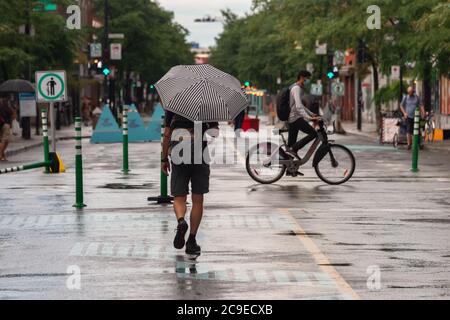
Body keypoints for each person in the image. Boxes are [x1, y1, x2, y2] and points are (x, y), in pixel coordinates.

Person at [161, 111, 219, 255]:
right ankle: (192, 240)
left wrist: (163, 158)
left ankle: (181, 221)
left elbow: (167, 133)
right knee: (198, 199)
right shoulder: (208, 106)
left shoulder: (174, 104)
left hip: (179, 148)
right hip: (200, 150)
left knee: (179, 197)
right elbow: (214, 134)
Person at [286, 70, 320, 162]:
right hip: (295, 118)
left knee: (291, 145)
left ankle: (290, 169)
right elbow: (298, 106)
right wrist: (308, 117)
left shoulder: (296, 87)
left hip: (292, 118)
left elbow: (301, 105)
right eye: (307, 78)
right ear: (301, 77)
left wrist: (311, 114)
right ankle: (294, 148)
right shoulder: (296, 88)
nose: (307, 80)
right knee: (313, 133)